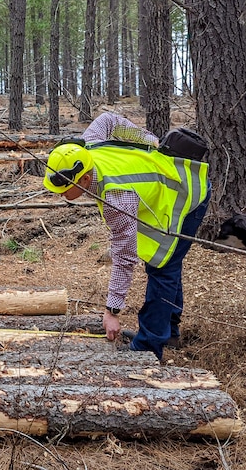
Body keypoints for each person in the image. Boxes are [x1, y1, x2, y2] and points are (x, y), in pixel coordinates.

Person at [42, 112, 210, 361]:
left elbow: (125, 256)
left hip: (186, 194)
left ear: (86, 179)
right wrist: (150, 139)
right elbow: (109, 119)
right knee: (165, 265)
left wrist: (112, 310)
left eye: (66, 189)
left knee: (162, 266)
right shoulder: (87, 145)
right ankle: (169, 331)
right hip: (163, 186)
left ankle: (149, 346)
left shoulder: (116, 198)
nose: (62, 195)